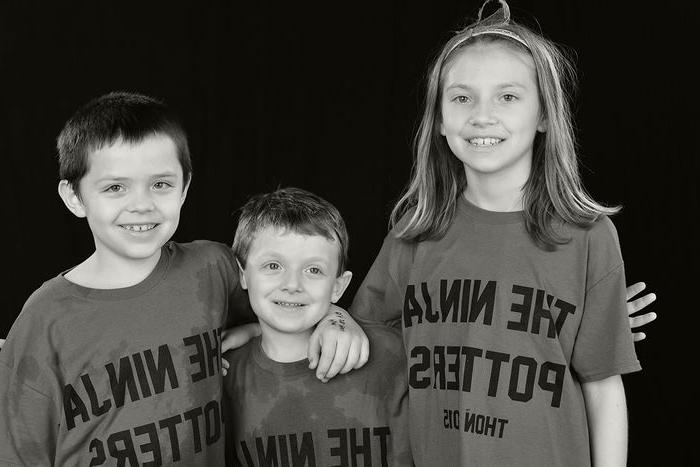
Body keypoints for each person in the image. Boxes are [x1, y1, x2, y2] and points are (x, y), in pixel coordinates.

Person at [349, 1, 653, 465]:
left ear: (545, 116)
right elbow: (362, 337)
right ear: (438, 121)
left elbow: (603, 386)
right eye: (462, 97)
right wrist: (300, 325)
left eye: (508, 97)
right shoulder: (413, 234)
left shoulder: (588, 236)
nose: (482, 115)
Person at [0, 92, 367, 466]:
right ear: (75, 197)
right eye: (115, 187)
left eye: (160, 184)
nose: (141, 204)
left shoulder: (212, 267)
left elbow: (290, 301)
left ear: (184, 187)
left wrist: (338, 319)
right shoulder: (45, 317)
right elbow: (19, 452)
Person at [223, 187, 412, 466]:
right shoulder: (224, 376)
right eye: (273, 265)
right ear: (243, 275)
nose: (292, 285)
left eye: (314, 270)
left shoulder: (391, 353)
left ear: (338, 287)